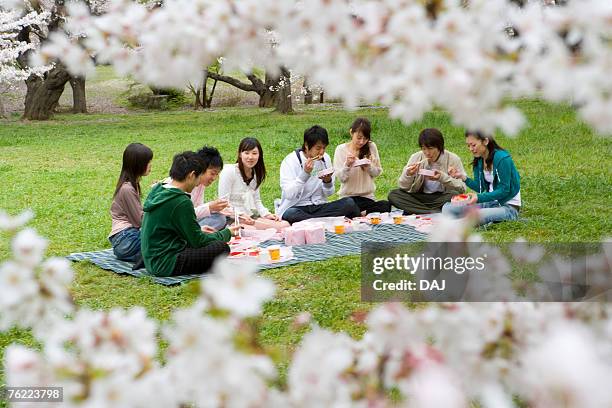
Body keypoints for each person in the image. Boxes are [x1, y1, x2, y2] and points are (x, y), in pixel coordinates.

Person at [141, 151, 239, 277]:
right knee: (221, 248)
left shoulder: (159, 188)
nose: (198, 183)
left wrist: (199, 230)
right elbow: (198, 241)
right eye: (198, 177)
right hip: (166, 263)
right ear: (192, 175)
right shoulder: (181, 201)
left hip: (152, 259)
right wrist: (227, 233)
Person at [277, 125, 361, 224]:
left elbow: (329, 193)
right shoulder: (291, 161)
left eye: (324, 148)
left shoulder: (326, 159)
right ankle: (326, 221)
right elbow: (289, 195)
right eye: (318, 148)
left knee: (349, 203)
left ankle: (316, 222)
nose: (321, 152)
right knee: (291, 215)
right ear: (307, 145)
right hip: (297, 207)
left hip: (319, 206)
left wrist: (327, 182)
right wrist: (304, 174)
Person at [442, 130, 521, 225]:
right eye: (468, 145)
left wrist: (479, 198)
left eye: (473, 145)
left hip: (508, 206)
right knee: (447, 208)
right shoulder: (479, 160)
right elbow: (480, 187)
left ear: (485, 141)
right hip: (490, 202)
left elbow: (504, 190)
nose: (470, 149)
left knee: (476, 216)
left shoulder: (502, 159)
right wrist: (462, 177)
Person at [388, 128, 466, 214]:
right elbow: (403, 187)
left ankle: (417, 210)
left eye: (430, 148)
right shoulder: (416, 157)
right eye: (424, 148)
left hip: (441, 197)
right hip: (420, 196)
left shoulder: (453, 159)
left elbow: (462, 188)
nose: (427, 153)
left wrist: (442, 177)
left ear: (439, 147)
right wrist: (408, 175)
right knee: (393, 194)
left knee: (454, 195)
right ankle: (432, 212)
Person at [218, 137, 290, 231]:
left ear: (259, 155)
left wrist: (266, 214)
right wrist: (240, 215)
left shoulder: (255, 174)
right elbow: (223, 204)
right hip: (231, 218)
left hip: (250, 217)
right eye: (246, 153)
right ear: (240, 154)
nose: (250, 157)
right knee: (253, 230)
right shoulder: (229, 171)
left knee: (285, 225)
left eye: (254, 153)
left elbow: (257, 201)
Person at [333, 117, 390, 214]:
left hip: (367, 197)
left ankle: (359, 213)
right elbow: (341, 178)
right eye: (359, 138)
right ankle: (362, 213)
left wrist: (368, 167)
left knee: (385, 205)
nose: (361, 142)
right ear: (351, 132)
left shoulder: (371, 146)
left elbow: (377, 172)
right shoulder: (340, 149)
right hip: (348, 197)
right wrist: (347, 166)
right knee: (348, 205)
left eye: (365, 138)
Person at [165, 146, 229, 231]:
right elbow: (182, 215)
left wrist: (214, 208)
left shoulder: (200, 184)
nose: (214, 178)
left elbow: (195, 210)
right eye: (212, 173)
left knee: (220, 218)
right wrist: (209, 207)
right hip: (175, 227)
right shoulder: (177, 187)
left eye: (217, 174)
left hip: (187, 221)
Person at [108, 143, 153, 262]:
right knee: (165, 241)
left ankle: (146, 256)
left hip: (126, 239)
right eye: (148, 162)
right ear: (138, 165)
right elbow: (141, 221)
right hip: (126, 240)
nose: (150, 165)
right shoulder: (127, 189)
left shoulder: (132, 185)